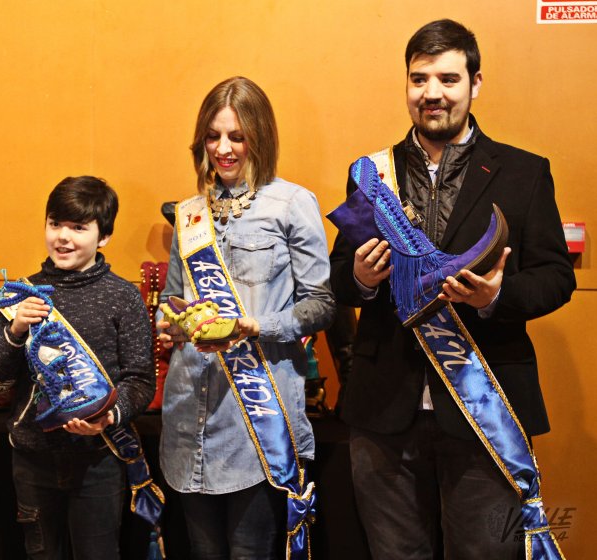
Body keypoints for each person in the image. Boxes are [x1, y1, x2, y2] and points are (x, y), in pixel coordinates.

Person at [328, 20, 576, 558]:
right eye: (419, 79)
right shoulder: (372, 173)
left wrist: (495, 298)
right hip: (384, 411)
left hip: (485, 408)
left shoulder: (524, 172)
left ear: (475, 83)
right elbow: (340, 276)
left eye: (448, 78)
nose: (432, 93)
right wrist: (363, 279)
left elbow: (557, 277)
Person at [158, 76, 335, 559]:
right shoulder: (189, 214)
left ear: (260, 136)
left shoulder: (292, 203)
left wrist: (255, 327)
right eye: (213, 136)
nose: (223, 149)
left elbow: (321, 304)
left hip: (257, 418)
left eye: (236, 136)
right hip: (189, 415)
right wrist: (172, 323)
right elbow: (172, 299)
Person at [0, 176, 155, 560]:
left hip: (98, 457)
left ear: (103, 236)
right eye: (55, 223)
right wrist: (15, 330)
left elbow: (140, 380)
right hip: (33, 458)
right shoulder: (21, 293)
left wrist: (107, 417)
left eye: (78, 227)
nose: (63, 237)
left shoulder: (123, 296)